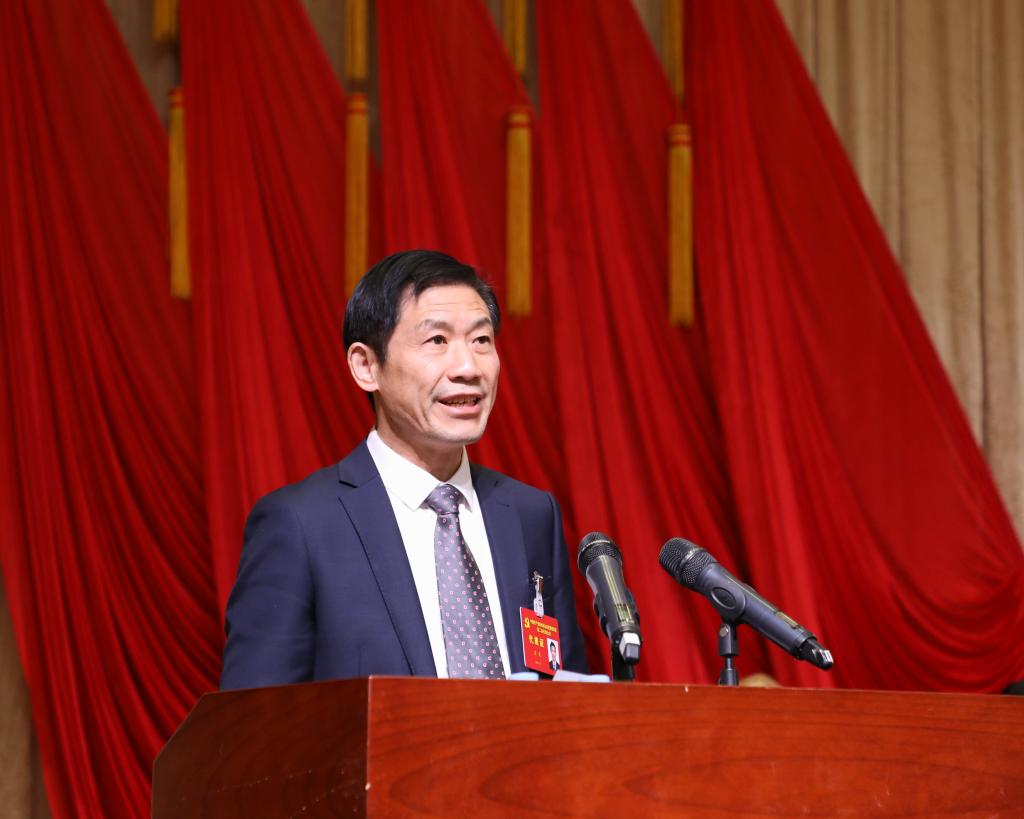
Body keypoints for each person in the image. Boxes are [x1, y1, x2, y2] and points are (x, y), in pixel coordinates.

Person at [221, 250, 587, 689]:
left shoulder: (530, 514)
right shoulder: (301, 525)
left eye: (481, 340)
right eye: (437, 341)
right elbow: (254, 718)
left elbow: (567, 693)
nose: (468, 367)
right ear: (367, 366)